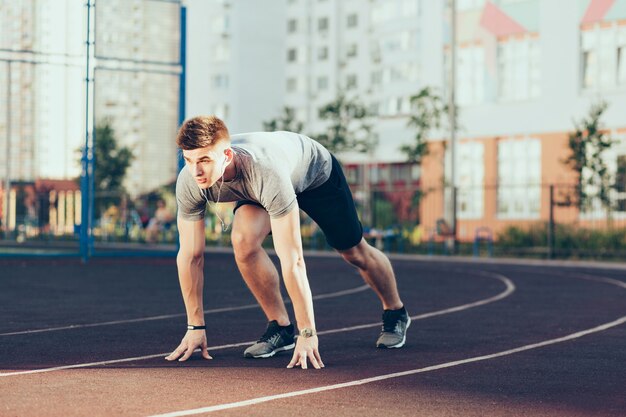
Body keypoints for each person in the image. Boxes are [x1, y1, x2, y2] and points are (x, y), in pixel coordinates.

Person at [165, 115, 410, 369]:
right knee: (243, 242)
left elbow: (293, 260)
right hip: (262, 185)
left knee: (353, 251)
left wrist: (308, 333)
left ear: (226, 155)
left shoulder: (264, 172)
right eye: (189, 160)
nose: (196, 171)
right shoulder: (190, 181)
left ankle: (395, 312)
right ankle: (280, 328)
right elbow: (191, 256)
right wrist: (195, 326)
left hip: (315, 174)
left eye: (204, 160)